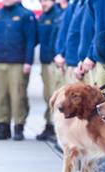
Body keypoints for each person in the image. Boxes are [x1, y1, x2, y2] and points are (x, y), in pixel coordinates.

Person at [0, 0, 36, 141]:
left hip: (18, 62)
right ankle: (3, 127)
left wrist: (28, 61)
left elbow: (30, 40)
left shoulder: (26, 15)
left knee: (18, 96)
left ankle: (18, 127)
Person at [36, 0, 61, 141]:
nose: (43, 3)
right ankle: (50, 124)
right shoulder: (43, 17)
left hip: (55, 61)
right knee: (48, 95)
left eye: (45, 0)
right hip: (46, 61)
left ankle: (53, 126)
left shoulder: (59, 15)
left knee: (54, 95)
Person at [64, 0, 86, 84]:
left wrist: (81, 61)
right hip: (72, 61)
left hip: (80, 63)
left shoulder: (87, 4)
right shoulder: (76, 4)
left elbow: (87, 35)